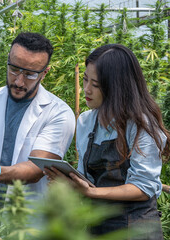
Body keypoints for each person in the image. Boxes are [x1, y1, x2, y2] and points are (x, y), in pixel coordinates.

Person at [44, 44, 170, 239]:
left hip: (137, 229)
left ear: (116, 87)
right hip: (97, 225)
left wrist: (91, 193)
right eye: (85, 80)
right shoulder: (86, 121)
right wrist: (70, 184)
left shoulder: (140, 125)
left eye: (95, 85)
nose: (86, 89)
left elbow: (143, 187)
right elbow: (89, 181)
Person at [0, 32, 75, 209]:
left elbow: (36, 169)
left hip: (26, 218)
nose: (19, 81)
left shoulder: (58, 113)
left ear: (44, 73)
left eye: (29, 74)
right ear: (8, 60)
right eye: (14, 69)